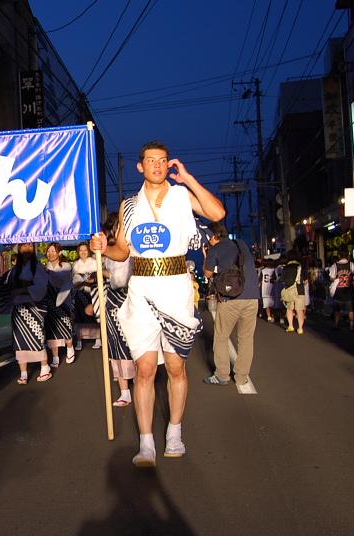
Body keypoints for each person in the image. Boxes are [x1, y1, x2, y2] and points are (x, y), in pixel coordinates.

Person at [91, 140, 225, 467]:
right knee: (145, 369)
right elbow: (123, 250)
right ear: (141, 166)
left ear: (169, 165)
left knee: (177, 367)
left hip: (176, 288)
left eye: (162, 161)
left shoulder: (181, 195)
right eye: (150, 161)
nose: (156, 165)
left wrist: (188, 178)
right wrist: (103, 247)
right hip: (141, 289)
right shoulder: (129, 205)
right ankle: (146, 442)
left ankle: (175, 432)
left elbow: (217, 212)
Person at [203, 221, 260, 388]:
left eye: (208, 238)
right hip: (252, 298)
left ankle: (222, 375)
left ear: (213, 236)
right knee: (246, 339)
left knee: (221, 337)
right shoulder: (240, 243)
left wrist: (207, 255)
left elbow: (207, 273)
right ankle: (242, 377)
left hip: (231, 300)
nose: (207, 241)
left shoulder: (215, 249)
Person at [0, 243, 51, 384]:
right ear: (19, 249)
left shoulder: (38, 267)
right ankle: (23, 372)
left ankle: (45, 368)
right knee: (19, 340)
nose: (27, 249)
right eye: (23, 246)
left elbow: (41, 288)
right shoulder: (15, 269)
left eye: (29, 246)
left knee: (37, 337)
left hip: (33, 306)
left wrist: (22, 289)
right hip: (18, 307)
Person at [100, 213, 135, 407]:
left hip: (130, 299)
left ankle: (136, 387)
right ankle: (125, 391)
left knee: (132, 345)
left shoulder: (131, 247)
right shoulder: (111, 251)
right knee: (117, 345)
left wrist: (107, 274)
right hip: (114, 302)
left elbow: (121, 279)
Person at [44, 242, 75, 367]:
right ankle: (55, 356)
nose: (50, 254)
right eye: (48, 251)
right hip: (50, 302)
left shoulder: (66, 266)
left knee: (66, 326)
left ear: (59, 253)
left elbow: (65, 283)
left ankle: (70, 348)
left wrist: (50, 275)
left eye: (53, 251)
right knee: (52, 329)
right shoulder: (46, 267)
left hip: (64, 301)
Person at [72, 242, 101, 350]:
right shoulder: (75, 264)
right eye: (81, 250)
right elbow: (73, 280)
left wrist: (91, 280)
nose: (83, 252)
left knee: (94, 315)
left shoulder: (94, 262)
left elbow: (99, 277)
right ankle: (79, 339)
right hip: (80, 292)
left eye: (85, 250)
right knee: (79, 316)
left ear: (88, 251)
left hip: (93, 291)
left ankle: (98, 338)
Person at [328, 250, 354, 331]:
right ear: (347, 255)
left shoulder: (335, 265)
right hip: (349, 290)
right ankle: (351, 326)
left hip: (339, 290)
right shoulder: (351, 264)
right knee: (351, 309)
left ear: (339, 256)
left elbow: (332, 277)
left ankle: (336, 325)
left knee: (337, 309)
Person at [279, 250, 307, 334]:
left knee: (289, 309)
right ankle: (300, 328)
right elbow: (305, 281)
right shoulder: (301, 267)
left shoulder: (286, 267)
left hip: (289, 291)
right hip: (300, 290)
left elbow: (282, 280)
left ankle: (290, 326)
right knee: (299, 310)